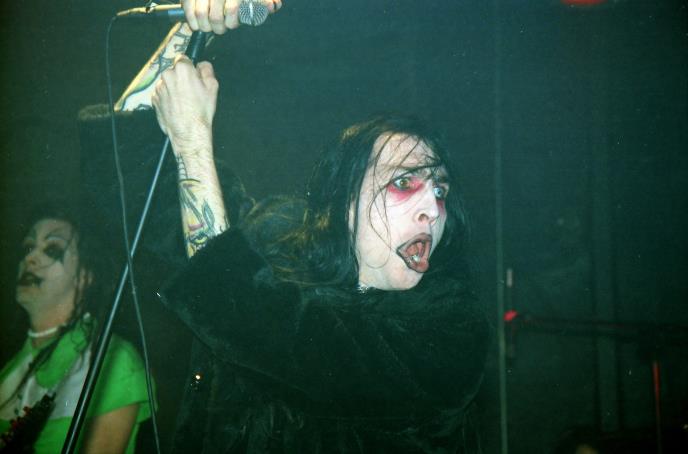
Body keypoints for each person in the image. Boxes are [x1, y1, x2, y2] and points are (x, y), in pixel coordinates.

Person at [113, 0, 488, 451]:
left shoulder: (449, 334)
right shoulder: (276, 242)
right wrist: (196, 29)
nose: (434, 207)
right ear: (343, 200)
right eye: (404, 182)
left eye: (440, 189)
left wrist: (192, 142)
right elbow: (127, 162)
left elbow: (260, 327)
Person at [0, 201, 152, 453]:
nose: (30, 258)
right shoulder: (9, 369)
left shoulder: (111, 360)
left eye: (52, 249)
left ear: (84, 276)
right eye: (28, 247)